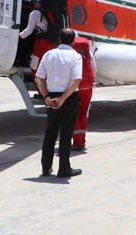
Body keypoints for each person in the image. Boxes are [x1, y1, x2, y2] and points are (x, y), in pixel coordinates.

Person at [35, 28, 83, 178]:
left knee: (50, 133)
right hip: (68, 97)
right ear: (74, 41)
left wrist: (46, 97)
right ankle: (64, 169)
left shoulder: (48, 55)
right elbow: (76, 80)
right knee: (66, 134)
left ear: (60, 39)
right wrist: (63, 99)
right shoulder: (75, 57)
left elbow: (39, 78)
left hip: (51, 97)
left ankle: (46, 168)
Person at [19, 0, 56, 75]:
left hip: (42, 43)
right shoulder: (51, 12)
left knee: (34, 66)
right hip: (53, 43)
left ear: (36, 2)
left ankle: (40, 85)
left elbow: (29, 31)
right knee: (48, 66)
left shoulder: (34, 13)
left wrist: (19, 36)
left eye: (35, 2)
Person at [71, 37, 97, 152]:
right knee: (84, 113)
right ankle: (82, 141)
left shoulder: (71, 52)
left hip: (75, 86)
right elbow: (94, 69)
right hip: (88, 86)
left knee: (73, 115)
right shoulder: (89, 53)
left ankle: (77, 143)